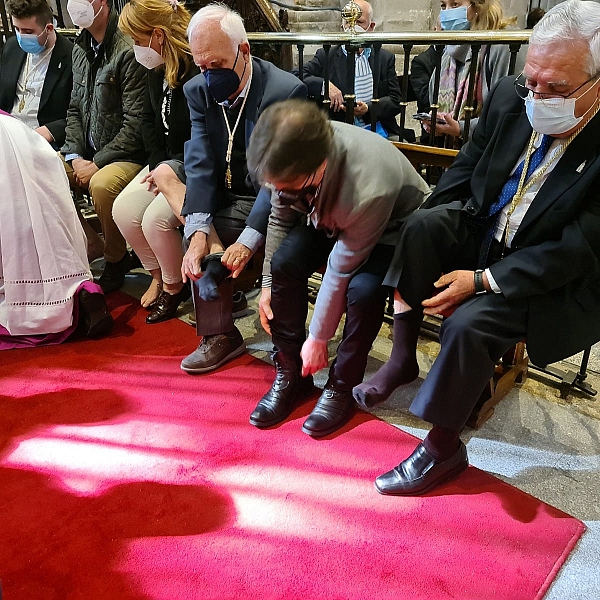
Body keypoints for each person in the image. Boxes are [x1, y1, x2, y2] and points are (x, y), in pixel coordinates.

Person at [353, 0, 600, 496]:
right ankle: (404, 355)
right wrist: (445, 220)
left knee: (470, 321)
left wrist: (482, 281)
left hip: (555, 272)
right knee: (422, 226)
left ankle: (444, 445)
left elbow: (578, 248)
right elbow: (465, 169)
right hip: (491, 229)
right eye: (532, 80)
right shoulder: (514, 99)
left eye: (556, 88)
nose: (538, 96)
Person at [240, 99, 428, 437]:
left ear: (318, 166)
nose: (278, 192)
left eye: (286, 186)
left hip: (392, 230)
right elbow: (279, 218)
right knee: (284, 263)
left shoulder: (368, 184)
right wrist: (267, 282)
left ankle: (341, 386)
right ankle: (291, 374)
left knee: (363, 291)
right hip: (329, 215)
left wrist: (318, 337)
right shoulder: (285, 157)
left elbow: (340, 268)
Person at [178, 3, 307, 374]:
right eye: (201, 67)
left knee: (240, 237)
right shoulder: (197, 90)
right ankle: (220, 334)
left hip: (278, 196)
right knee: (193, 233)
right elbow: (199, 158)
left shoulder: (286, 91)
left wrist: (248, 240)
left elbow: (279, 176)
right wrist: (199, 226)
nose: (208, 75)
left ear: (244, 51)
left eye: (216, 65)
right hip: (226, 191)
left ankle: (282, 340)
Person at [113, 0, 198, 323]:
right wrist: (157, 167)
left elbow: (198, 137)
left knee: (153, 220)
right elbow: (148, 123)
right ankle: (160, 274)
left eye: (137, 39)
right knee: (123, 210)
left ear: (158, 35)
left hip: (190, 167)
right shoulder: (156, 68)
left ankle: (175, 287)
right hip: (164, 163)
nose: (136, 48)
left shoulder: (193, 69)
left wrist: (168, 173)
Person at [0, 113, 113, 349]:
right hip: (20, 136)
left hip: (33, 139)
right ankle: (74, 294)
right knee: (38, 221)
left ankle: (58, 302)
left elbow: (72, 115)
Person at [61, 0, 147, 293]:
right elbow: (74, 108)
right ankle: (87, 242)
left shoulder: (127, 45)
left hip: (128, 154)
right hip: (87, 153)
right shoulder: (80, 46)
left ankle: (116, 257)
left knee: (101, 184)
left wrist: (96, 162)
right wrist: (73, 155)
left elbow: (136, 123)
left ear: (103, 3)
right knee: (45, 169)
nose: (75, 4)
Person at [301, 0, 407, 141]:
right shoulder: (327, 55)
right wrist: (324, 86)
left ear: (371, 27)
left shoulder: (384, 58)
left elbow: (395, 101)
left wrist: (369, 109)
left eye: (359, 22)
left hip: (379, 131)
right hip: (339, 133)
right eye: (348, 22)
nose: (353, 28)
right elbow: (298, 75)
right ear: (342, 26)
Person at [421, 0, 515, 143]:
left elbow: (507, 114)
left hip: (489, 151)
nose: (446, 12)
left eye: (455, 4)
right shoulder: (449, 50)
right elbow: (432, 93)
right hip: (453, 152)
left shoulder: (502, 44)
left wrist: (462, 128)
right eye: (443, 6)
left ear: (478, 6)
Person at [0, 0, 73, 150]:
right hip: (8, 134)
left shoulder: (71, 56)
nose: (21, 36)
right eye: (17, 29)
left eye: (28, 32)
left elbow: (79, 114)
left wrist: (50, 132)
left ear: (49, 28)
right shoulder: (12, 47)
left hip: (43, 140)